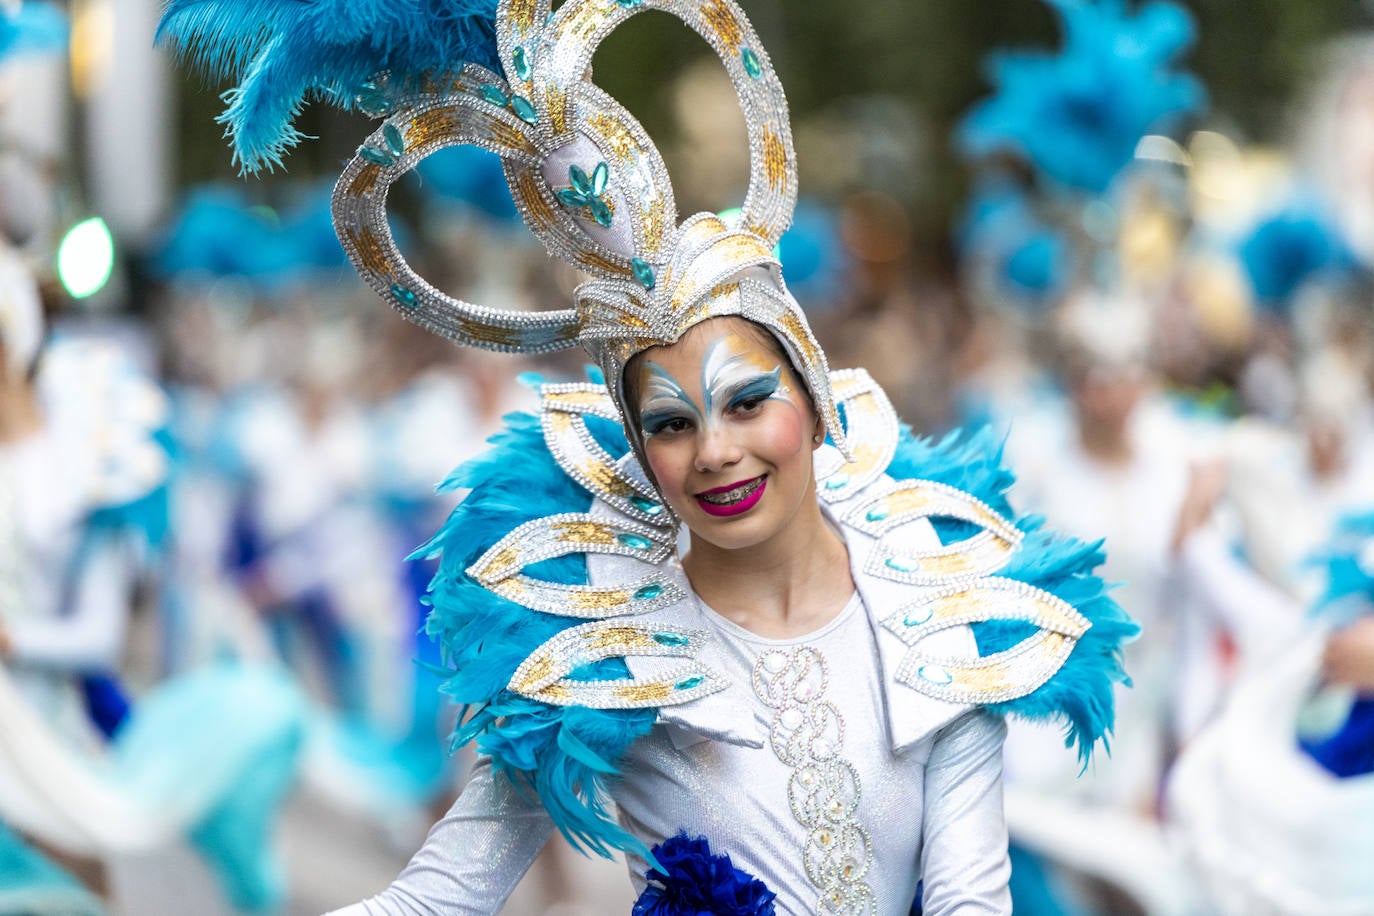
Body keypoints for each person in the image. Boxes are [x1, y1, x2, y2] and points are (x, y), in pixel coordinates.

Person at [158, 0, 1137, 911]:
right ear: (636, 447)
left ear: (815, 394)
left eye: (749, 402)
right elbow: (438, 894)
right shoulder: (592, 627)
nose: (715, 451)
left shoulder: (933, 591)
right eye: (669, 424)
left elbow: (971, 896)